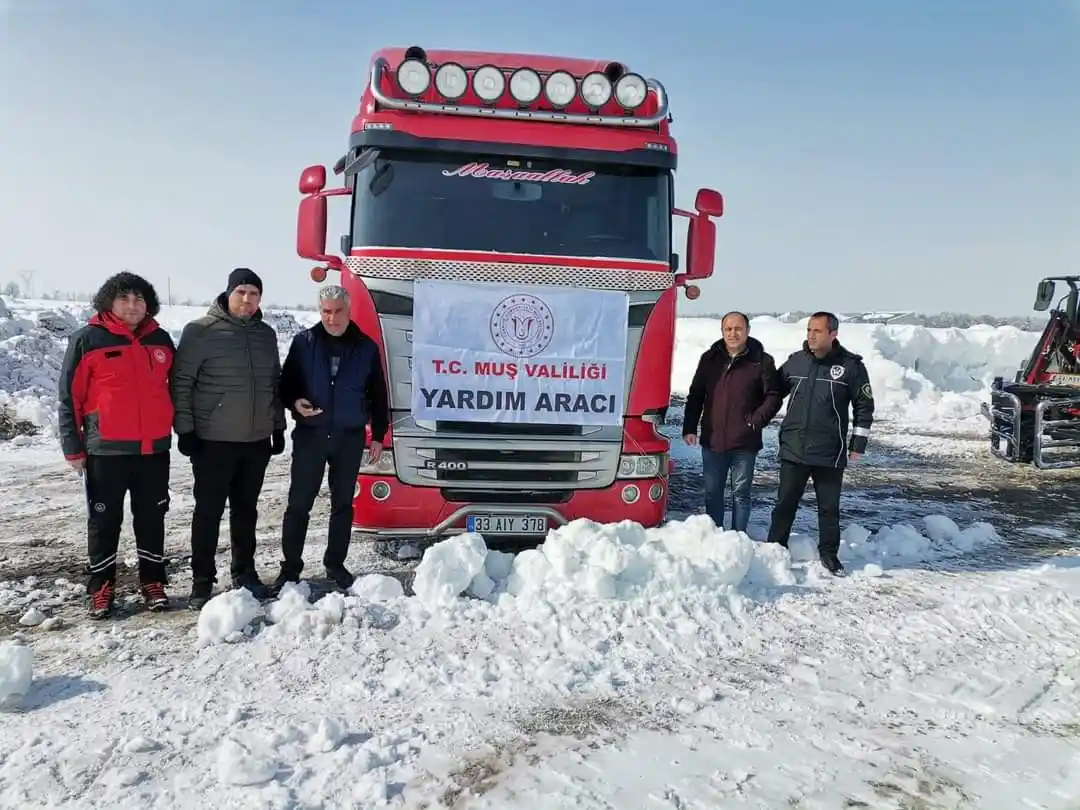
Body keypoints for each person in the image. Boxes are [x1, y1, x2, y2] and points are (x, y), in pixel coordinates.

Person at [57, 272, 176, 619]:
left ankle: (153, 581)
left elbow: (178, 389)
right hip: (105, 450)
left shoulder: (162, 339)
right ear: (109, 302)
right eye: (125, 298)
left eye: (139, 299)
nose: (132, 305)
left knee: (152, 517)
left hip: (153, 449)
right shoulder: (88, 339)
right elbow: (69, 397)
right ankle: (102, 587)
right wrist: (73, 446)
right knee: (104, 521)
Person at [170, 268, 286, 609]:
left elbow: (273, 384)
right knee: (208, 511)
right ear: (228, 293)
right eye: (241, 292)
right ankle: (201, 581)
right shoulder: (201, 332)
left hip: (255, 441)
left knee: (246, 511)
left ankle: (244, 573)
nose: (247, 300)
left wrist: (277, 425)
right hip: (213, 441)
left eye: (254, 294)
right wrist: (186, 430)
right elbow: (181, 383)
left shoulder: (265, 335)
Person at [272, 285, 390, 593]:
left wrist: (378, 434)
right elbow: (286, 386)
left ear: (349, 312)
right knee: (299, 503)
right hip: (311, 435)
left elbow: (378, 393)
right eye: (326, 311)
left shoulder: (365, 348)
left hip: (348, 437)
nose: (332, 317)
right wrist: (295, 402)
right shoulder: (303, 343)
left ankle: (335, 564)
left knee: (342, 505)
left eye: (338, 311)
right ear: (319, 311)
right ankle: (291, 567)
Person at [765, 311, 875, 575]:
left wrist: (857, 443)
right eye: (809, 330)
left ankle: (829, 554)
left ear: (833, 334)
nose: (811, 336)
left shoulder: (851, 366)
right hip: (794, 447)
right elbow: (773, 392)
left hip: (829, 451)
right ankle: (774, 551)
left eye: (817, 331)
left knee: (828, 509)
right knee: (784, 504)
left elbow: (864, 405)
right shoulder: (796, 362)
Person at [682, 311, 783, 533]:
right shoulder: (709, 359)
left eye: (738, 329)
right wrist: (689, 427)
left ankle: (739, 537)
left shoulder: (762, 361)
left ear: (747, 331)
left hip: (745, 442)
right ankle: (716, 536)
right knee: (712, 493)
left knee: (741, 494)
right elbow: (696, 394)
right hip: (713, 439)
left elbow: (774, 395)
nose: (733, 333)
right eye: (728, 329)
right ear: (722, 331)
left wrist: (756, 420)